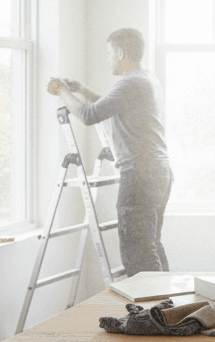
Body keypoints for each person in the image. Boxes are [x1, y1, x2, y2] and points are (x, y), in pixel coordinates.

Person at [47, 27, 172, 276]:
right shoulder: (146, 79)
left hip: (140, 174)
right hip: (159, 172)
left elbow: (89, 115)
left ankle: (150, 303)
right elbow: (112, 104)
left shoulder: (130, 82)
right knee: (151, 246)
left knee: (138, 253)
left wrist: (61, 91)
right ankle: (167, 301)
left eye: (109, 53)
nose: (107, 58)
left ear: (121, 53)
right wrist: (81, 90)